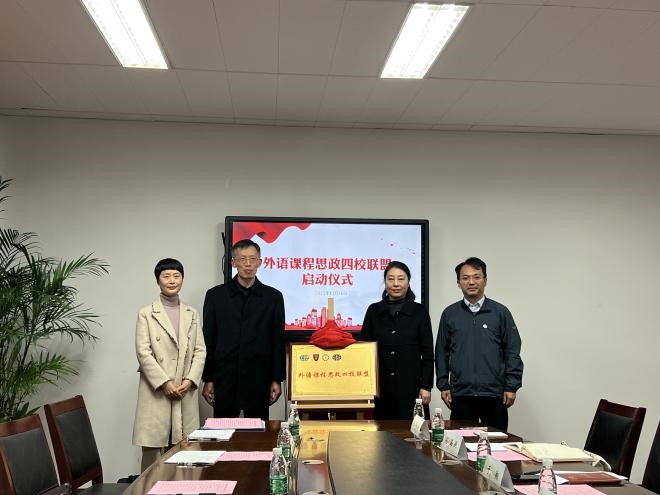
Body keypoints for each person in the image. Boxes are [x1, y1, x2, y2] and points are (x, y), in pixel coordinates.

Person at [132, 258, 206, 472]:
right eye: (166, 276)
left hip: (184, 389)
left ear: (182, 279)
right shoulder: (146, 313)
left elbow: (200, 350)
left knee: (186, 451)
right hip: (156, 391)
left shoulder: (191, 313)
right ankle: (148, 488)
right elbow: (143, 352)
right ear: (158, 280)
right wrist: (164, 383)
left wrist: (190, 380)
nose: (172, 281)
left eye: (176, 276)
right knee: (153, 453)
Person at [435, 257, 523, 431]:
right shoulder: (450, 314)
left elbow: (512, 350)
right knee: (461, 444)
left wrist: (511, 386)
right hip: (461, 394)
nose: (471, 282)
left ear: (485, 280)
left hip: (495, 394)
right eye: (465, 278)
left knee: (497, 444)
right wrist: (443, 384)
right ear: (458, 283)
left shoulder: (500, 312)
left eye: (476, 277)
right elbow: (441, 352)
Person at [201, 239, 286, 420]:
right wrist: (208, 379)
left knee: (258, 432)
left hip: (259, 376)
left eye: (253, 259)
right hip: (224, 376)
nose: (248, 264)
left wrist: (276, 379)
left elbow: (277, 341)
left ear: (260, 262)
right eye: (242, 259)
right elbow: (208, 340)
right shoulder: (216, 296)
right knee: (223, 431)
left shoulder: (273, 297)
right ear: (233, 263)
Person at [359, 261, 434, 419]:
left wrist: (426, 386)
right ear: (385, 281)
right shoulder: (373, 311)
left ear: (408, 281)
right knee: (381, 431)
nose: (395, 284)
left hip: (411, 386)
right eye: (390, 279)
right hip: (380, 387)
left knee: (413, 431)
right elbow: (363, 351)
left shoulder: (419, 311)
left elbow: (427, 353)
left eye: (401, 279)